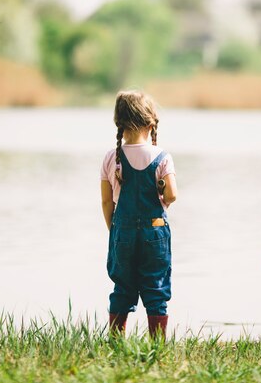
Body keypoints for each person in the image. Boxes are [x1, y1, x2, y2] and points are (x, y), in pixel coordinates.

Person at [100, 90, 178, 339]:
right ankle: (157, 342)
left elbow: (105, 201)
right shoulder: (162, 157)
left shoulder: (112, 157)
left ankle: (115, 340)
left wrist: (115, 230)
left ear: (119, 123)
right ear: (150, 123)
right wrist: (162, 192)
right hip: (154, 232)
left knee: (122, 287)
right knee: (156, 288)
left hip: (122, 233)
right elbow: (172, 195)